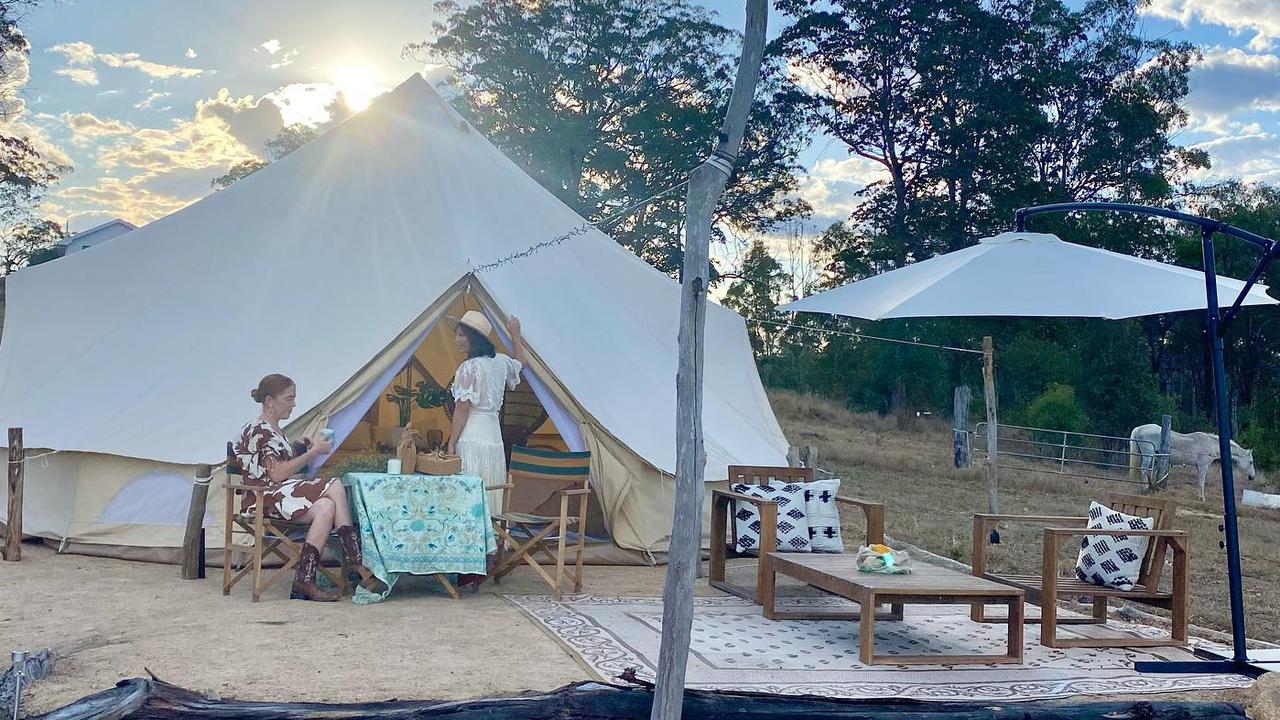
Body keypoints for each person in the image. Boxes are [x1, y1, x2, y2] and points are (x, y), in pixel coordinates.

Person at [236, 373, 386, 601]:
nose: (294, 404)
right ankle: (356, 561)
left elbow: (278, 466)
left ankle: (304, 581)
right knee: (334, 485)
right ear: (269, 402)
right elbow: (276, 474)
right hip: (262, 499)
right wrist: (313, 452)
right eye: (288, 398)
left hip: (278, 496)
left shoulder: (274, 431)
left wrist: (299, 448)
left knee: (326, 506)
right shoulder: (259, 430)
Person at [447, 311, 526, 591]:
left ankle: (466, 566)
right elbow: (521, 362)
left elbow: (462, 407)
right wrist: (515, 334)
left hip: (473, 437)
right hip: (493, 440)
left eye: (460, 335)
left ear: (473, 339)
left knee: (467, 500)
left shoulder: (469, 369)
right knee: (488, 498)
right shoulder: (500, 363)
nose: (456, 340)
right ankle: (483, 562)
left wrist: (452, 441)